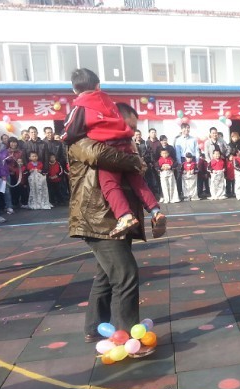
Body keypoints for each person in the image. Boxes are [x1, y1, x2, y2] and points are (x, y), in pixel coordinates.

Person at [68, 103, 153, 354]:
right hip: (99, 219)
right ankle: (128, 340)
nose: (131, 133)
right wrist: (135, 159)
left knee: (106, 275)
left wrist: (154, 208)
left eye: (134, 130)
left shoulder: (121, 146)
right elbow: (103, 157)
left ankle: (94, 327)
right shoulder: (84, 142)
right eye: (129, 127)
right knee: (126, 274)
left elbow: (135, 178)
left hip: (112, 219)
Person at [62, 69, 165, 239]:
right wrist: (134, 158)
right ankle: (155, 211)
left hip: (108, 148)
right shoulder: (110, 103)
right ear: (98, 86)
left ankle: (125, 216)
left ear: (74, 90)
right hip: (124, 145)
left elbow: (70, 130)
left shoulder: (80, 107)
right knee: (139, 182)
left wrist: (64, 137)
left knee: (109, 184)